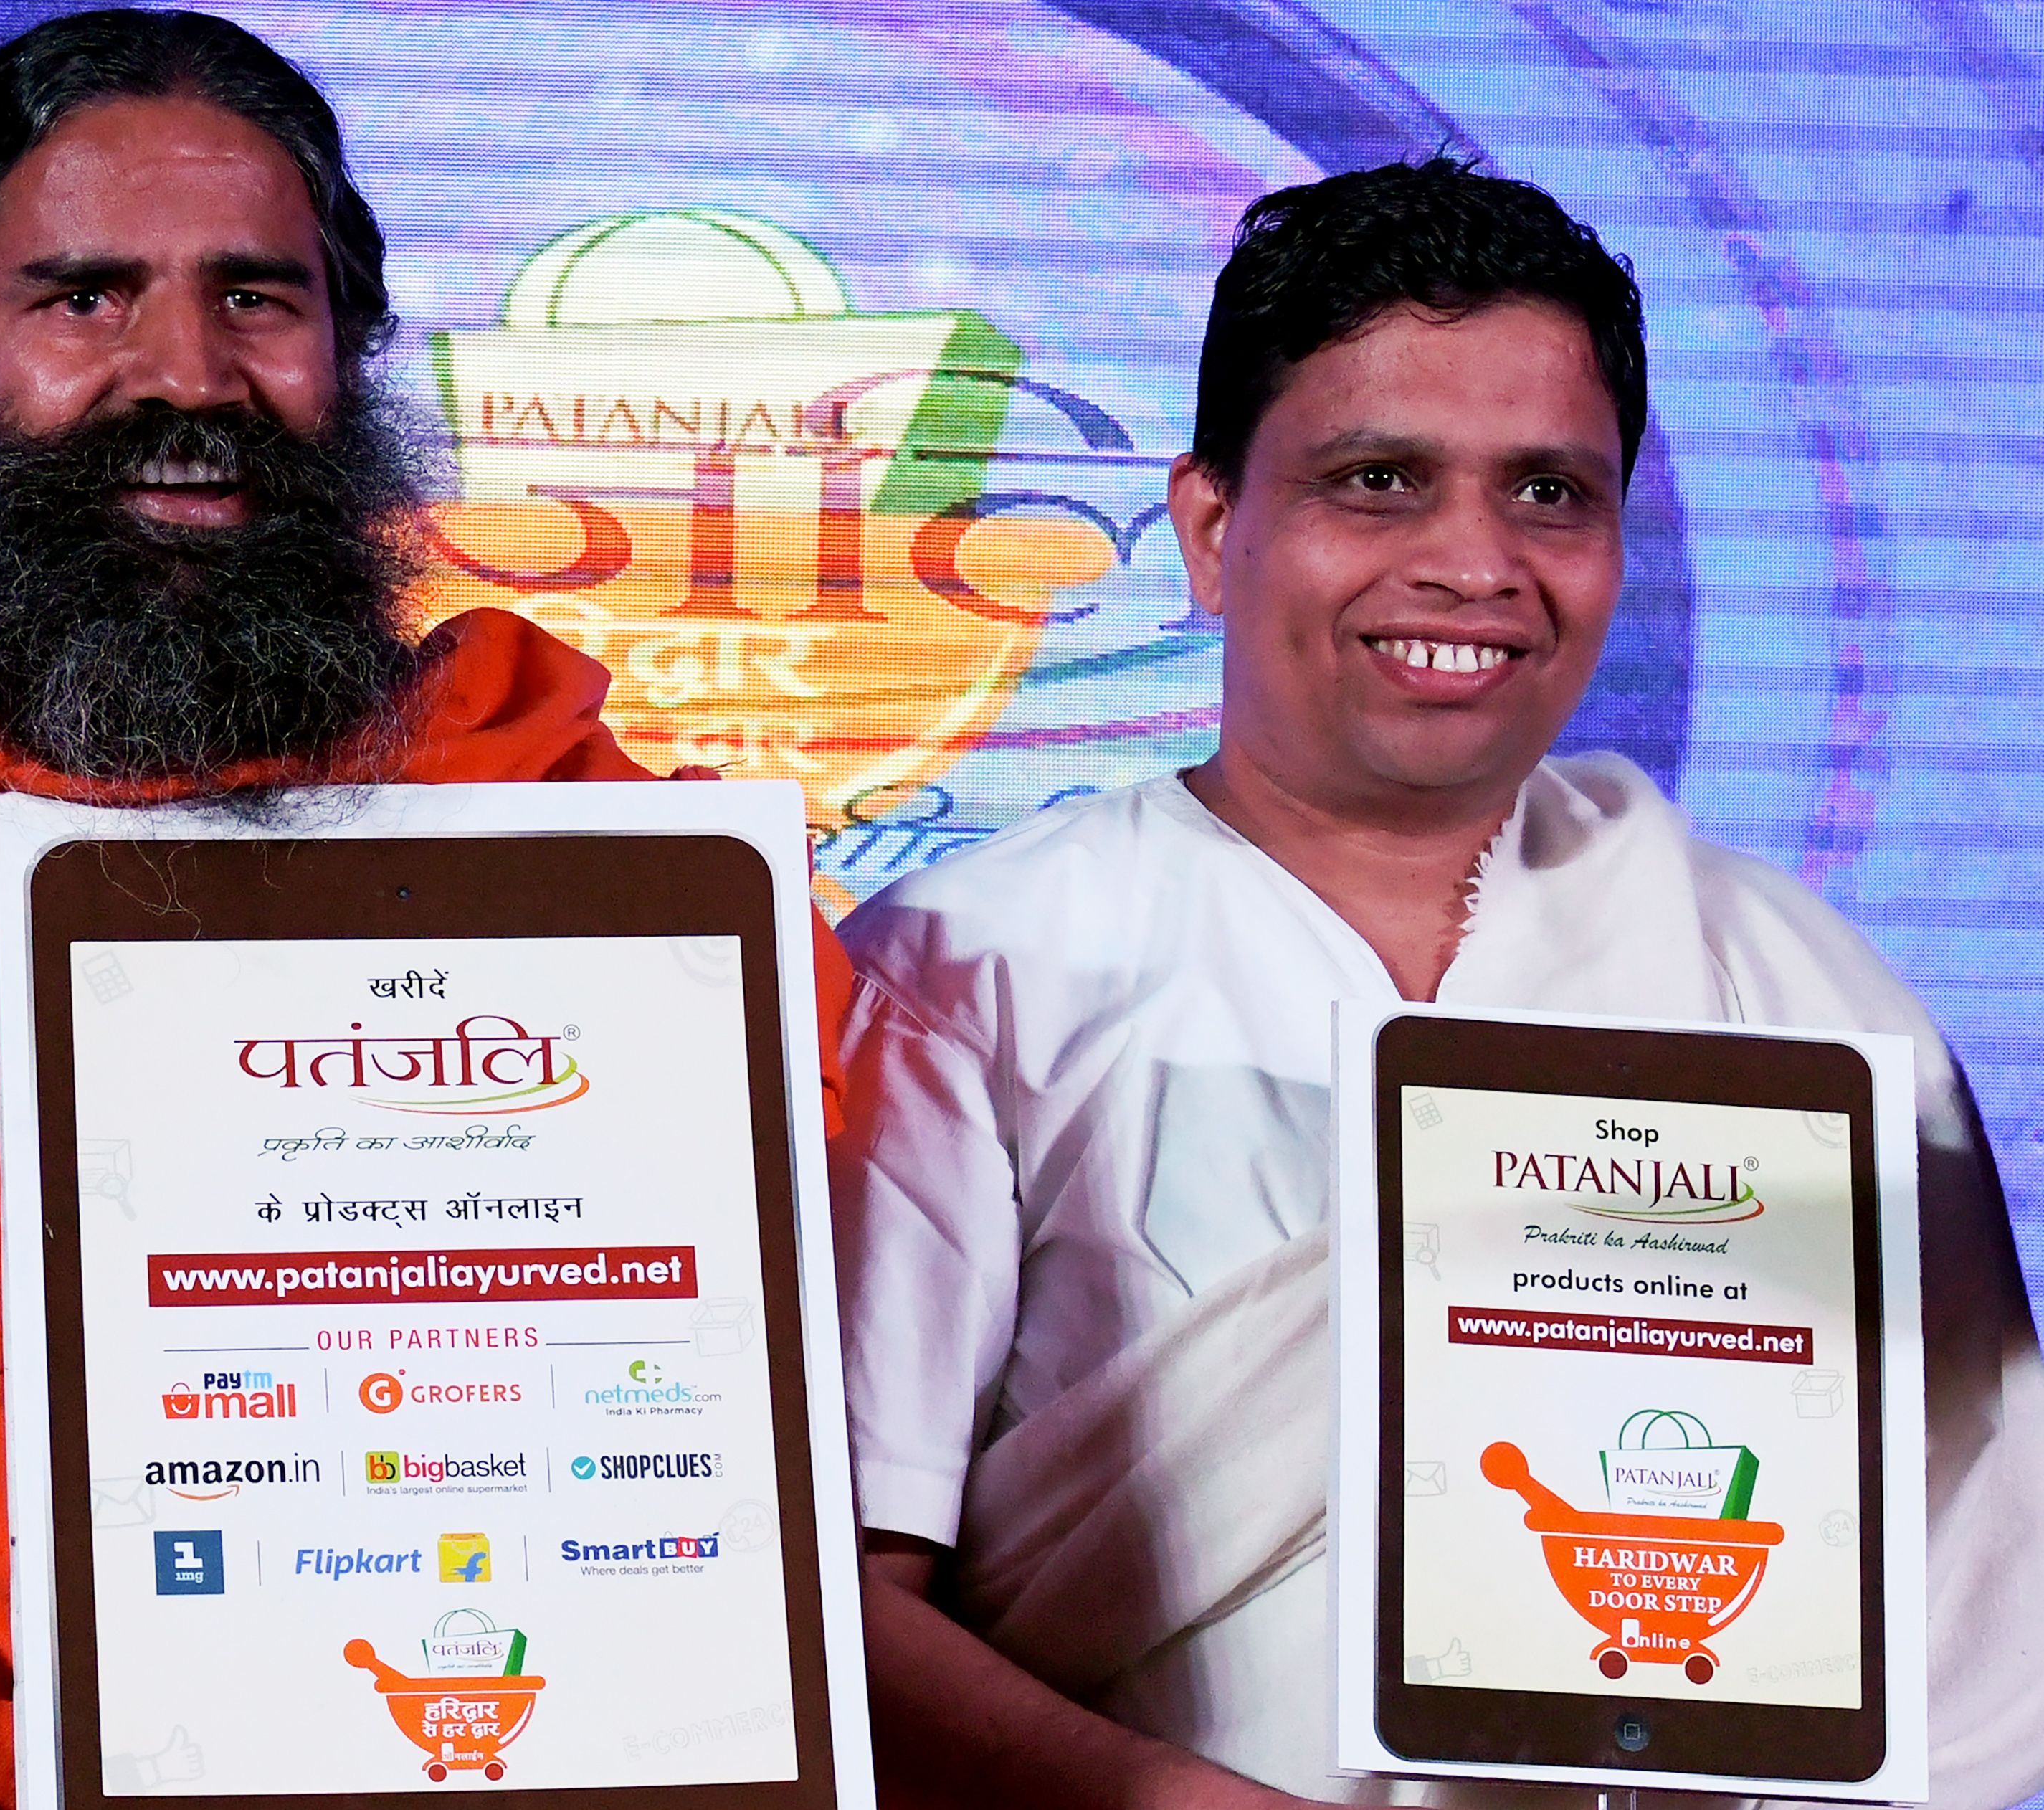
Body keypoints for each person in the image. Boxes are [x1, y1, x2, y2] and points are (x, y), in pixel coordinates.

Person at [0, 12, 847, 1810]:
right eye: (82, 298)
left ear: (352, 354)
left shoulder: (595, 846)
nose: (187, 374)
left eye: (258, 298)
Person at [832, 160, 2044, 1810]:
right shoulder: (964, 970)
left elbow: (1969, 1593)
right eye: (1379, 478)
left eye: (1550, 491)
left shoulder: (1798, 987)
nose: (1474, 561)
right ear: (1208, 528)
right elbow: (829, 1599)